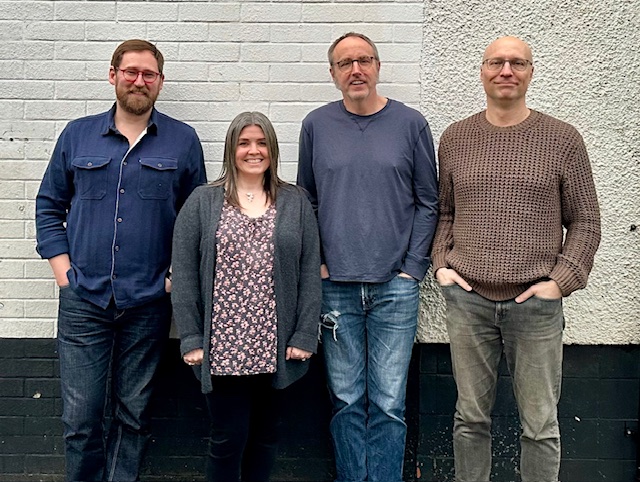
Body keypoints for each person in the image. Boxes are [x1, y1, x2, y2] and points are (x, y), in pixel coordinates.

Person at [35, 39, 207, 482]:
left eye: (149, 74)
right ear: (113, 75)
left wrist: (173, 277)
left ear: (160, 83)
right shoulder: (77, 135)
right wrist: (63, 272)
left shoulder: (182, 141)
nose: (139, 81)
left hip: (148, 302)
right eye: (130, 71)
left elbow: (196, 220)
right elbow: (49, 205)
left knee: (133, 416)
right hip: (83, 300)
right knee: (81, 419)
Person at [432, 36, 601, 482]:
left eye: (517, 63)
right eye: (496, 62)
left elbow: (585, 220)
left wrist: (560, 281)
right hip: (468, 301)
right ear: (482, 70)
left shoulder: (562, 139)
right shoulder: (456, 138)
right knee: (470, 419)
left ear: (530, 72)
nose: (506, 70)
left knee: (540, 426)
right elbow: (445, 212)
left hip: (537, 305)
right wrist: (442, 266)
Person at [297, 32, 439, 482]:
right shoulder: (316, 125)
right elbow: (307, 200)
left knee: (388, 402)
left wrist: (412, 269)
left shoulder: (410, 124)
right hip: (335, 285)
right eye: (345, 63)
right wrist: (318, 263)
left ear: (378, 66)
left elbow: (428, 200)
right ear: (333, 73)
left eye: (364, 60)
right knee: (344, 398)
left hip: (394, 288)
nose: (355, 70)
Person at [171, 111, 321, 482]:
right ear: (231, 149)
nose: (253, 151)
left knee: (266, 439)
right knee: (227, 439)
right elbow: (185, 273)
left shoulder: (295, 201)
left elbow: (308, 271)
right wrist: (190, 337)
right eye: (244, 143)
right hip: (222, 345)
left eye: (261, 142)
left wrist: (304, 334)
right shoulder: (203, 201)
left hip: (276, 343)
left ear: (272, 148)